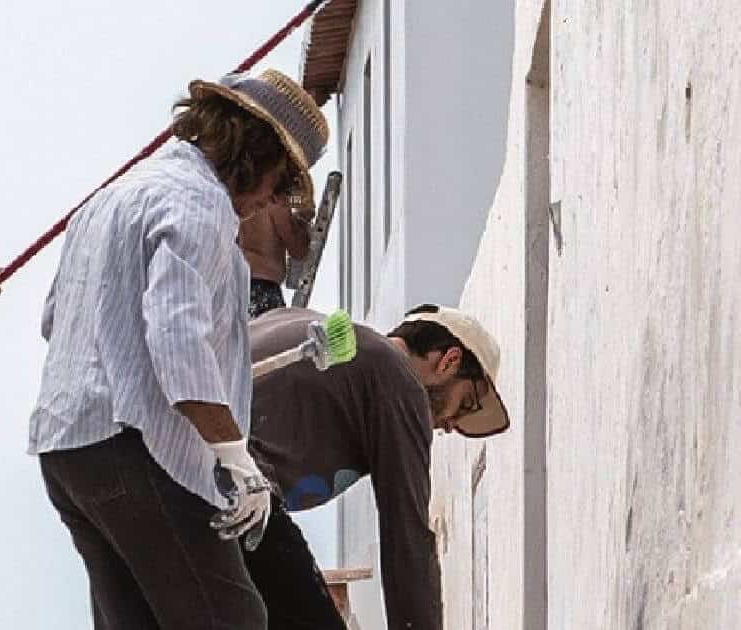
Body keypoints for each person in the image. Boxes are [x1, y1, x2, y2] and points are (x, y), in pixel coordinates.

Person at [30, 68, 329, 630]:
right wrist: (236, 459)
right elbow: (177, 339)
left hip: (66, 448)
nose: (269, 200)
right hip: (134, 444)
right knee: (232, 619)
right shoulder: (200, 205)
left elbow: (55, 320)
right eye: (279, 184)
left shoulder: (108, 200)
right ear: (257, 156)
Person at [243, 303, 511, 630]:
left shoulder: (303, 322)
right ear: (449, 361)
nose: (450, 425)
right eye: (465, 403)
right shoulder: (399, 380)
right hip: (233, 485)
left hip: (180, 470)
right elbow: (407, 538)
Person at [238, 198, 313, 318]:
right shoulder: (275, 201)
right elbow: (299, 251)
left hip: (236, 286)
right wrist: (303, 219)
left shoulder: (240, 197)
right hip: (263, 289)